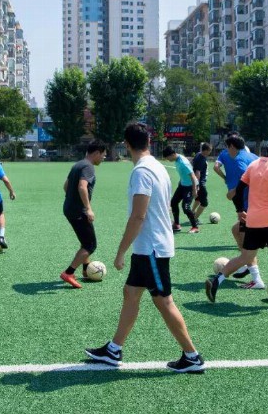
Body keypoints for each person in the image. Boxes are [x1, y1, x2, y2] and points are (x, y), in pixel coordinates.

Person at [85, 123, 204, 373]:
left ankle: (191, 356)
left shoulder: (141, 172)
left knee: (164, 302)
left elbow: (138, 216)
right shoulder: (158, 166)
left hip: (152, 248)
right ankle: (114, 349)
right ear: (149, 143)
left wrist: (120, 252)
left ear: (126, 145)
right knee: (131, 293)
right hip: (149, 248)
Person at [206, 134, 268, 308]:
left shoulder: (254, 165)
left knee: (245, 256)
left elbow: (238, 189)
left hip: (253, 220)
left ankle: (218, 280)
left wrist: (240, 211)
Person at [60, 140, 107, 289]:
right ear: (97, 152)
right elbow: (82, 187)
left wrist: (72, 200)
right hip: (78, 211)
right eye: (103, 155)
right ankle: (69, 272)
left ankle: (86, 269)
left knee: (84, 240)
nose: (104, 158)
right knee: (90, 245)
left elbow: (66, 186)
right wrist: (88, 208)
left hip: (68, 208)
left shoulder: (78, 164)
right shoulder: (88, 167)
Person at [213, 134, 260, 285]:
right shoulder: (253, 156)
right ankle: (248, 266)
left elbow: (245, 178)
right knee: (237, 231)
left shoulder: (239, 160)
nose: (226, 150)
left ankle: (256, 278)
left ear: (232, 146)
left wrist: (232, 191)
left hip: (248, 204)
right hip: (254, 202)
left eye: (227, 147)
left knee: (247, 240)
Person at [162, 146, 200, 234]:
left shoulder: (183, 162)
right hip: (183, 185)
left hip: (190, 186)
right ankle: (176, 224)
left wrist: (194, 190)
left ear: (172, 155)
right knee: (174, 202)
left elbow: (193, 177)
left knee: (186, 207)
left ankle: (195, 227)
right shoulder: (176, 159)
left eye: (168, 158)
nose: (168, 160)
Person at [191, 143, 212, 221]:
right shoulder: (202, 158)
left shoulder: (198, 155)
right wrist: (197, 185)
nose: (210, 152)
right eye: (210, 151)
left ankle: (192, 213)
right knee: (204, 203)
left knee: (198, 199)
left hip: (198, 182)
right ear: (206, 150)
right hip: (200, 183)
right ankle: (194, 219)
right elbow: (197, 172)